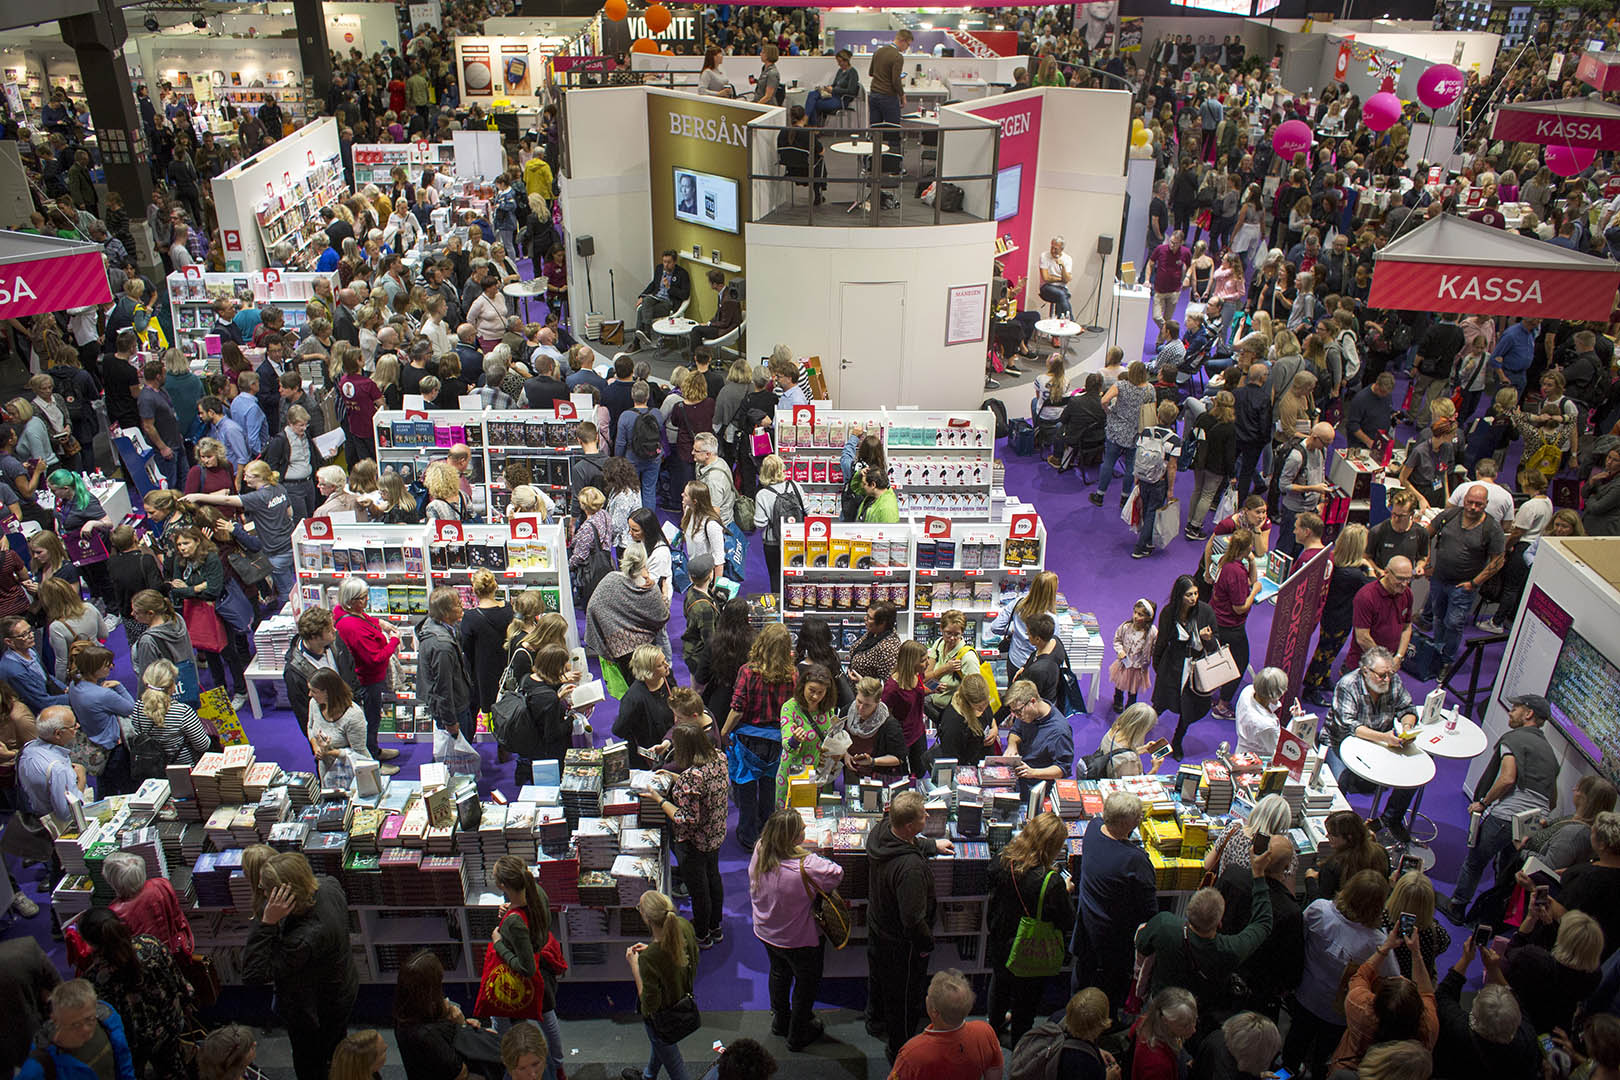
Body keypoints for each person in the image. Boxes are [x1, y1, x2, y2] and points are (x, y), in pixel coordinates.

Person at [1135, 838, 1280, 1027]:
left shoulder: (1165, 925)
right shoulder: (1230, 949)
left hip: (1161, 1001)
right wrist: (1258, 874)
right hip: (1199, 1011)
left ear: (1188, 910)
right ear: (1220, 922)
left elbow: (1142, 945)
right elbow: (1263, 923)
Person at [1443, 692, 1560, 922]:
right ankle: (1491, 915)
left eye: (1516, 707)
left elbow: (1507, 779)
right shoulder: (1550, 755)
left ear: (1528, 714)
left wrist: (1483, 802)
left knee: (1476, 860)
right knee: (1507, 869)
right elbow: (1552, 801)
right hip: (1535, 822)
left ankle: (1457, 907)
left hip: (1507, 815)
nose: (1511, 711)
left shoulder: (1514, 739)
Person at [241, 852, 358, 1080]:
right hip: (342, 988)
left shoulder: (303, 940)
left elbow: (254, 974)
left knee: (311, 1063)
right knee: (337, 1049)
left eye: (266, 889)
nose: (263, 894)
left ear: (284, 894)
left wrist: (267, 922)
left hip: (314, 1013)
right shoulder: (329, 886)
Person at [1285, 870, 1395, 1080]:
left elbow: (1298, 939)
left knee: (1294, 1045)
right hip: (1339, 1013)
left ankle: (1283, 1076)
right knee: (1325, 1059)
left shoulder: (1319, 910)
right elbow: (1393, 979)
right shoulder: (1378, 943)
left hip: (1305, 995)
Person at [866, 791, 952, 1062]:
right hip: (901, 946)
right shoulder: (911, 870)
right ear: (908, 826)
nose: (927, 816)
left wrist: (929, 846)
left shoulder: (881, 831)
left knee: (879, 983)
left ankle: (874, 1021)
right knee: (902, 1001)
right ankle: (900, 1051)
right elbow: (913, 920)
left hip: (878, 926)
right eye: (922, 815)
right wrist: (926, 945)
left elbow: (907, 843)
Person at [749, 808, 844, 1050]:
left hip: (766, 931)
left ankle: (781, 1021)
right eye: (802, 829)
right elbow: (837, 874)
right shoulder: (807, 865)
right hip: (798, 939)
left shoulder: (761, 848)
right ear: (793, 838)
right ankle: (799, 1032)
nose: (805, 831)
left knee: (779, 972)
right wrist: (806, 855)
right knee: (806, 983)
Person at [986, 813, 1075, 1047]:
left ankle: (993, 1028)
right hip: (1030, 949)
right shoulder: (1051, 881)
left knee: (1000, 987)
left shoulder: (1002, 859)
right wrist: (1065, 891)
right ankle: (1020, 1045)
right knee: (1026, 1004)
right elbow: (1066, 919)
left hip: (1000, 938)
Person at [75, 907, 194, 1079]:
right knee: (173, 1068)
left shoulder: (94, 980)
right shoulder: (149, 944)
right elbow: (178, 981)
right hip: (171, 1024)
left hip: (134, 1044)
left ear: (90, 943)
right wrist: (186, 1004)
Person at [1071, 791, 1157, 1006]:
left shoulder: (1093, 829)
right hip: (1113, 942)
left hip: (1086, 930)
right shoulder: (1135, 860)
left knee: (1081, 980)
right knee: (1108, 993)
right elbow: (1150, 911)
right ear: (1128, 823)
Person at [1327, 647, 1420, 840]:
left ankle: (1389, 819)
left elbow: (1407, 707)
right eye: (1381, 675)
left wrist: (1407, 727)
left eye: (1390, 674)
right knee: (1337, 783)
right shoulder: (1348, 685)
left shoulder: (1393, 680)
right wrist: (1385, 737)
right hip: (1342, 744)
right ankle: (1338, 831)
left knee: (1412, 776)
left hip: (1381, 743)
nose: (1387, 679)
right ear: (1365, 671)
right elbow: (1350, 725)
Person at [723, 622, 797, 851]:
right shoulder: (792, 674)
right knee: (770, 792)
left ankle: (747, 835)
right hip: (778, 742)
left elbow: (737, 708)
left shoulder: (748, 671)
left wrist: (724, 732)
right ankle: (767, 835)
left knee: (745, 792)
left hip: (748, 743)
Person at [1332, 923, 1437, 1071]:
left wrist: (1386, 947)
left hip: (1347, 1070)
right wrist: (1416, 953)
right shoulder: (1428, 1029)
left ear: (1375, 999)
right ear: (1419, 1008)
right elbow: (1427, 993)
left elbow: (1361, 975)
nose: (1401, 976)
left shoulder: (1359, 1007)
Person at [1423, 484, 1506, 668]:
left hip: (1463, 587)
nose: (1473, 508)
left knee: (1454, 623)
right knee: (1438, 617)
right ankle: (1437, 652)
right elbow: (1425, 535)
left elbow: (1498, 561)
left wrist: (1474, 583)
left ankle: (1447, 661)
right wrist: (1426, 563)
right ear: (1464, 500)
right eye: (1470, 502)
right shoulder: (1449, 515)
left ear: (1486, 504)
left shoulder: (1492, 528)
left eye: (1478, 504)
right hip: (1439, 579)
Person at [1433, 941, 1540, 1079]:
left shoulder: (1458, 1029)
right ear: (1516, 1019)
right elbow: (1517, 1002)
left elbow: (1442, 995)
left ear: (1474, 1014)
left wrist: (1465, 959)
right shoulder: (1527, 1041)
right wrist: (1494, 970)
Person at [622, 890, 699, 1080]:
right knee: (660, 1047)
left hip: (663, 1018)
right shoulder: (683, 925)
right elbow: (683, 956)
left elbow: (649, 1006)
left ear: (647, 918)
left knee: (673, 1062)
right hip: (683, 1001)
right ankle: (648, 1076)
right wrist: (652, 949)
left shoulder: (649, 959)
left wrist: (635, 967)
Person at [1503, 906, 1604, 1036]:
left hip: (1519, 1020)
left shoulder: (1533, 959)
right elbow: (1567, 963)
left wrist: (1530, 918)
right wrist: (1549, 927)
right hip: (1555, 1028)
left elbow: (1511, 950)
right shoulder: (1594, 975)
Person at [888, 969, 1003, 1080]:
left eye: (929, 995)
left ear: (934, 1011)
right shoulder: (984, 1031)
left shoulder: (911, 1053)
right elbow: (994, 1069)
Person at [392, 948, 486, 1080]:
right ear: (429, 990)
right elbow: (460, 1073)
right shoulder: (426, 1035)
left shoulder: (403, 1014)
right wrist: (463, 1027)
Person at [15, 979, 136, 1080]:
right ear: (56, 1020)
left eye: (89, 1019)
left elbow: (124, 1063)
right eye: (75, 1025)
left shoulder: (107, 1018)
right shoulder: (38, 1066)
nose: (86, 1029)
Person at [1151, 575, 1218, 759]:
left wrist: (1208, 640)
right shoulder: (1168, 613)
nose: (1193, 598)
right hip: (1172, 665)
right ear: (1179, 595)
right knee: (1160, 702)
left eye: (1196, 593)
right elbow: (1162, 642)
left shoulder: (1205, 612)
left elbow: (1215, 645)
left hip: (1196, 669)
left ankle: (1177, 741)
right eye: (1189, 594)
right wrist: (1158, 666)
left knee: (1188, 708)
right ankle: (1143, 727)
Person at [102, 850, 193, 958]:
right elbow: (178, 919)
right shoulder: (161, 884)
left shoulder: (115, 913)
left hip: (148, 961)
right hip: (177, 949)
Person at [418, 587, 473, 744]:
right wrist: (450, 721)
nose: (462, 605)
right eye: (457, 604)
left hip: (456, 703)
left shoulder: (437, 627)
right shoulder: (442, 646)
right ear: (446, 612)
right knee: (459, 752)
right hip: (454, 709)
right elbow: (443, 687)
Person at [1276, 422, 1336, 559]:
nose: (1326, 447)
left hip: (1312, 509)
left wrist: (1321, 500)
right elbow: (1284, 485)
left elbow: (1321, 474)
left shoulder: (1321, 451)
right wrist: (1312, 488)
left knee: (1300, 549)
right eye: (1325, 443)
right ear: (1314, 437)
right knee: (1285, 550)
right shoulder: (1296, 457)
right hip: (1293, 511)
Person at [1002, 680, 1074, 792]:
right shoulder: (1026, 713)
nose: (1016, 716)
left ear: (1033, 701)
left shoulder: (1059, 731)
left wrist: (1033, 772)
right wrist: (1012, 745)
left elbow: (1062, 769)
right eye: (1013, 711)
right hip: (1019, 778)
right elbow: (1016, 731)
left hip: (1038, 786)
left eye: (1018, 711)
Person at [615, 644, 675, 772]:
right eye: (660, 665)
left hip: (672, 744)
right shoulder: (634, 698)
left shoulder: (667, 677)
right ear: (648, 672)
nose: (666, 665)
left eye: (665, 660)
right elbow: (619, 729)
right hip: (648, 757)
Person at [841, 676, 909, 786]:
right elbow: (838, 738)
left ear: (878, 702)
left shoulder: (889, 724)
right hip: (851, 771)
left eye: (867, 705)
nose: (860, 708)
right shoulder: (847, 712)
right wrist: (845, 754)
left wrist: (872, 761)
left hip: (877, 776)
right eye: (859, 701)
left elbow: (899, 758)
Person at [1129, 988, 1198, 1080]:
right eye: (1185, 1026)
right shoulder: (1156, 1066)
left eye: (1195, 1021)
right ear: (1165, 1020)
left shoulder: (1150, 1021)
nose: (1193, 1030)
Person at [935, 674, 996, 768]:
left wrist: (994, 729)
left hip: (984, 762)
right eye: (979, 706)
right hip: (966, 769)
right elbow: (951, 760)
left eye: (986, 703)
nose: (983, 708)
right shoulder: (953, 723)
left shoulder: (982, 697)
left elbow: (991, 719)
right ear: (967, 701)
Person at [634, 251, 692, 347]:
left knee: (641, 310)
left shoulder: (682, 274)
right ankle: (646, 331)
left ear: (674, 262)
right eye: (664, 261)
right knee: (647, 300)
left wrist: (669, 288)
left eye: (669, 262)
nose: (666, 265)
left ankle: (636, 343)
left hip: (669, 302)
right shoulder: (659, 268)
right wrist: (642, 296)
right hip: (656, 297)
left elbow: (685, 295)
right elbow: (653, 284)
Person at [1233, 666, 1291, 759]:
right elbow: (1277, 749)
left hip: (1240, 751)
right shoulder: (1267, 725)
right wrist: (1295, 721)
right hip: (1257, 762)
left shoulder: (1247, 691)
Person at [866, 29, 912, 125]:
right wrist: (902, 95)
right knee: (893, 130)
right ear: (903, 41)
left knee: (875, 129)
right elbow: (895, 81)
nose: (907, 48)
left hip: (874, 95)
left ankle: (874, 141)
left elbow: (871, 73)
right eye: (908, 44)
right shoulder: (897, 56)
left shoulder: (878, 51)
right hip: (888, 97)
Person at [1037, 236, 1074, 319]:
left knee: (1062, 296)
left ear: (1061, 249)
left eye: (1056, 249)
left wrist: (1062, 267)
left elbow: (1066, 280)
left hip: (1061, 288)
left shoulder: (1068, 259)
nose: (1053, 251)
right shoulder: (1044, 256)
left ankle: (1059, 322)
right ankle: (1071, 321)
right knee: (1062, 295)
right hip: (1046, 287)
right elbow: (1046, 278)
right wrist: (1061, 279)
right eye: (1052, 247)